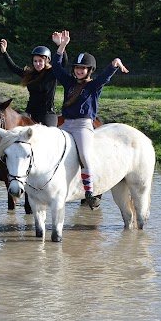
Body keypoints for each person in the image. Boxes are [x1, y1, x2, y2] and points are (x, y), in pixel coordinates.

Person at [51, 30, 128, 209]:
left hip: (83, 126)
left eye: (83, 68)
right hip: (66, 124)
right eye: (77, 68)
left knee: (85, 156)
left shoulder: (93, 86)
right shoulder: (69, 82)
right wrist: (62, 46)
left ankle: (89, 192)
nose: (79, 71)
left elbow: (104, 77)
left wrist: (114, 64)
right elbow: (56, 67)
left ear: (89, 70)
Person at [0, 39, 66, 180]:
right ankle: (2, 168)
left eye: (40, 61)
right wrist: (4, 52)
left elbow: (63, 63)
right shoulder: (29, 74)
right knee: (12, 133)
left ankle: (51, 169)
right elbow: (13, 68)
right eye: (35, 61)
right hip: (30, 112)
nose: (37, 63)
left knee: (49, 139)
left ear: (47, 61)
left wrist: (61, 46)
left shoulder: (52, 73)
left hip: (47, 113)